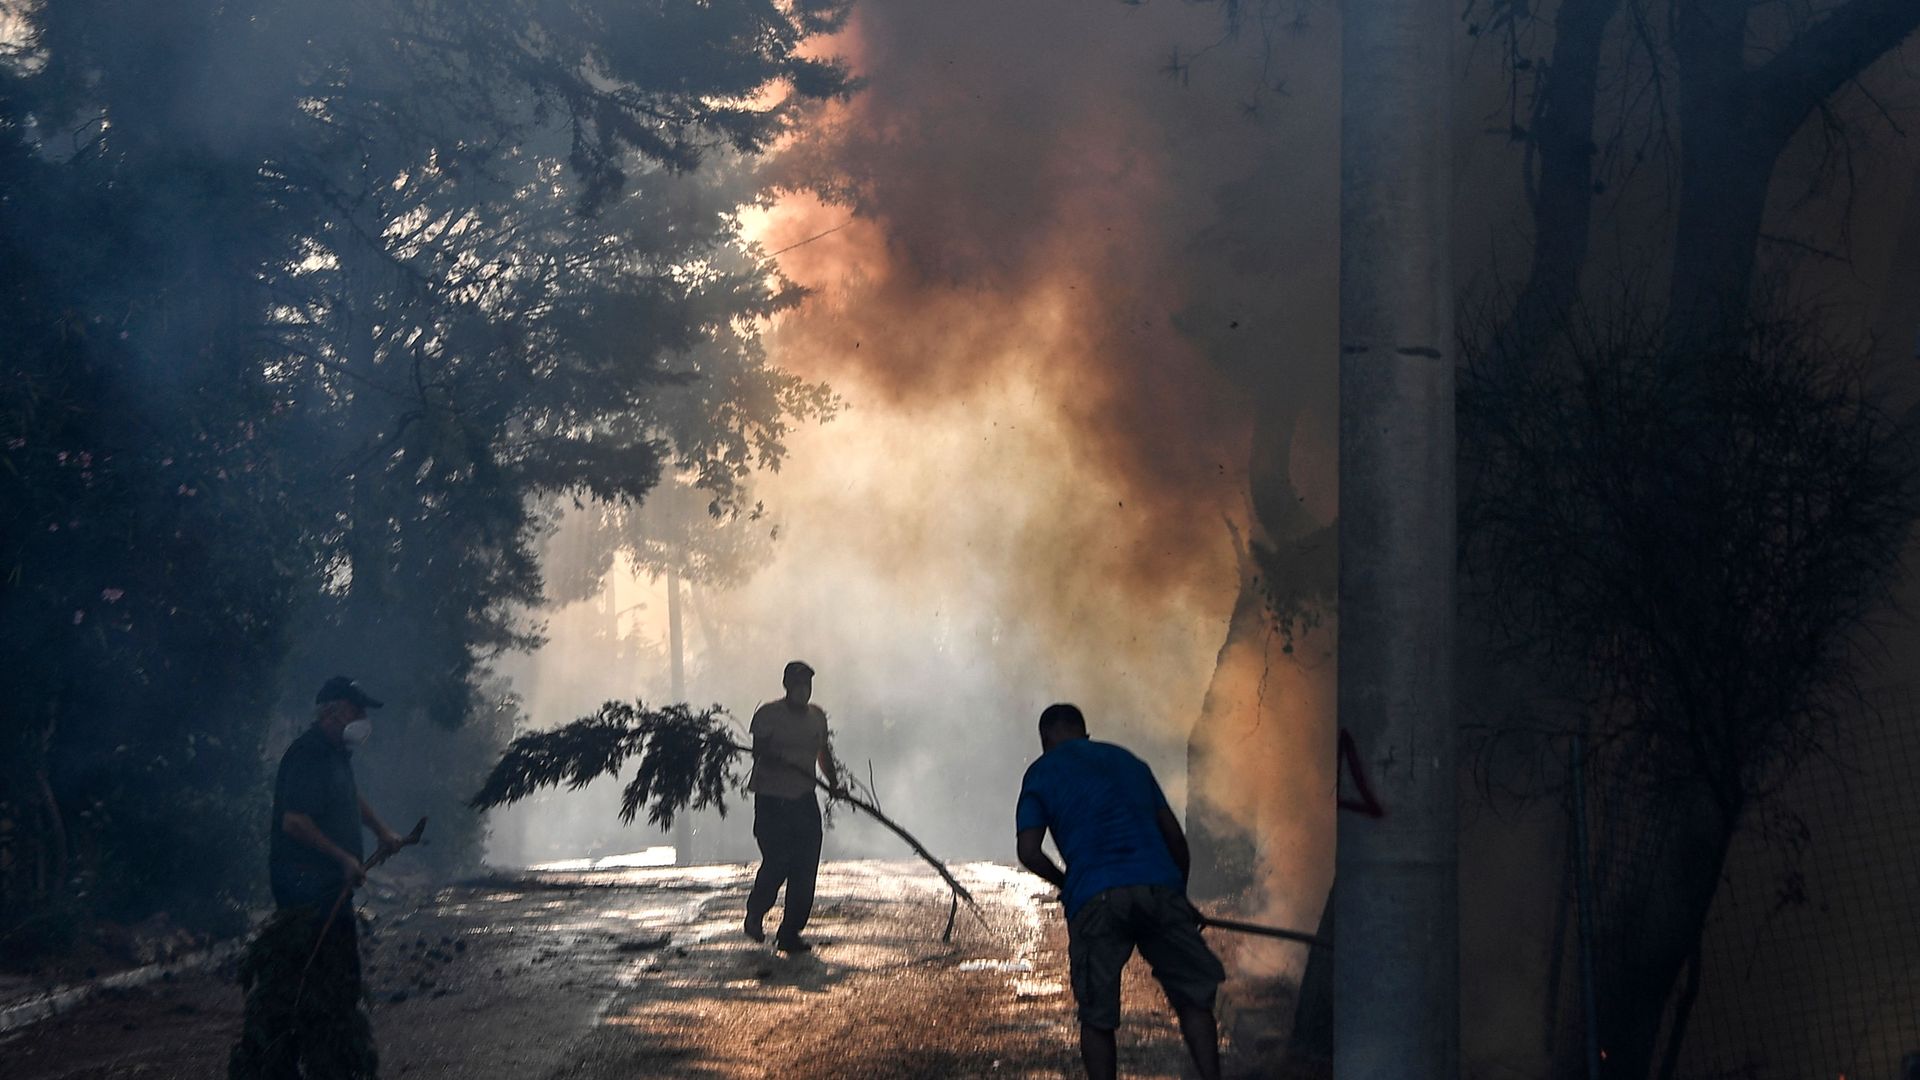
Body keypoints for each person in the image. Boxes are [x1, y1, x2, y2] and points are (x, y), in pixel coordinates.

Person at [1015, 703, 1227, 1080]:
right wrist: (1178, 894)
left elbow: (1029, 852)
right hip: (1158, 887)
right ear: (1085, 734)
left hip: (1095, 899)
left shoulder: (1041, 773)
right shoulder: (1128, 762)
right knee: (1193, 999)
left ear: (1045, 740)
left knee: (1097, 1017)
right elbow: (1175, 838)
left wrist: (1069, 884)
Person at [229, 676, 408, 1080]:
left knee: (334, 979)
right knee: (314, 978)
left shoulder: (335, 755)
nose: (363, 719)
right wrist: (343, 857)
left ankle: (331, 1061)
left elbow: (349, 798)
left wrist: (382, 831)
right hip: (305, 886)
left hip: (330, 887)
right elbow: (294, 822)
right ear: (332, 712)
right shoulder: (307, 754)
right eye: (357, 710)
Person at [743, 659, 841, 953]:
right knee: (778, 862)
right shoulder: (768, 716)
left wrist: (834, 784)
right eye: (797, 685)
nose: (803, 691)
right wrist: (781, 762)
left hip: (803, 801)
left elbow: (823, 753)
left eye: (807, 685)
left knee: (805, 866)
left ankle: (790, 932)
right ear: (786, 686)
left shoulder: (816, 718)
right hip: (772, 800)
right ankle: (755, 913)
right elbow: (759, 754)